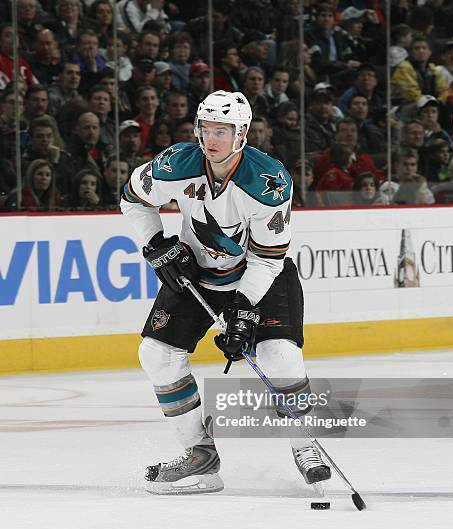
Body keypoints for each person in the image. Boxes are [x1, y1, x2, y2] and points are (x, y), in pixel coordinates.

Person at [120, 90, 331, 494]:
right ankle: (200, 457)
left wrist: (241, 307)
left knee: (279, 356)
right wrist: (155, 243)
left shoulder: (267, 182)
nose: (211, 138)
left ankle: (307, 445)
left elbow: (268, 259)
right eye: (205, 129)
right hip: (197, 275)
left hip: (261, 276)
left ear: (242, 133)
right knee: (156, 354)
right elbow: (133, 198)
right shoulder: (175, 164)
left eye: (222, 130)